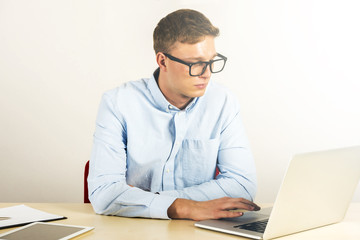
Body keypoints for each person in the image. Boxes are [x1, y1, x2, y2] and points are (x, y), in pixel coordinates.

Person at [88, 9, 260, 220]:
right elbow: (104, 194)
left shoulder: (223, 102)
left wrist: (147, 200)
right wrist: (184, 207)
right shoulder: (118, 103)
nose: (207, 73)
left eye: (211, 61)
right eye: (196, 63)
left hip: (201, 231)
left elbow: (242, 186)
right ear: (162, 61)